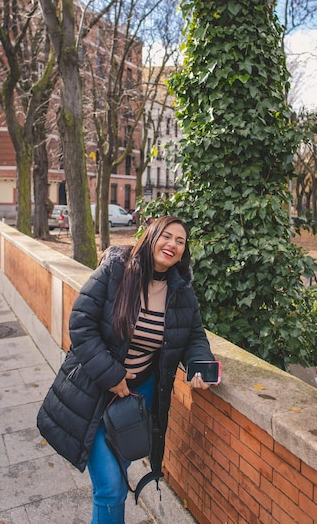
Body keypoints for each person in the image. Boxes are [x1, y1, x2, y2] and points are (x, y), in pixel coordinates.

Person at [37, 215, 217, 524]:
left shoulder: (181, 291)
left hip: (138, 397)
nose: (172, 244)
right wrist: (112, 375)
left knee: (116, 480)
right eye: (167, 236)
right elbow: (80, 324)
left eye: (180, 241)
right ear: (151, 236)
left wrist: (201, 365)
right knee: (111, 488)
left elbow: (193, 336)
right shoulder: (117, 268)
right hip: (94, 389)